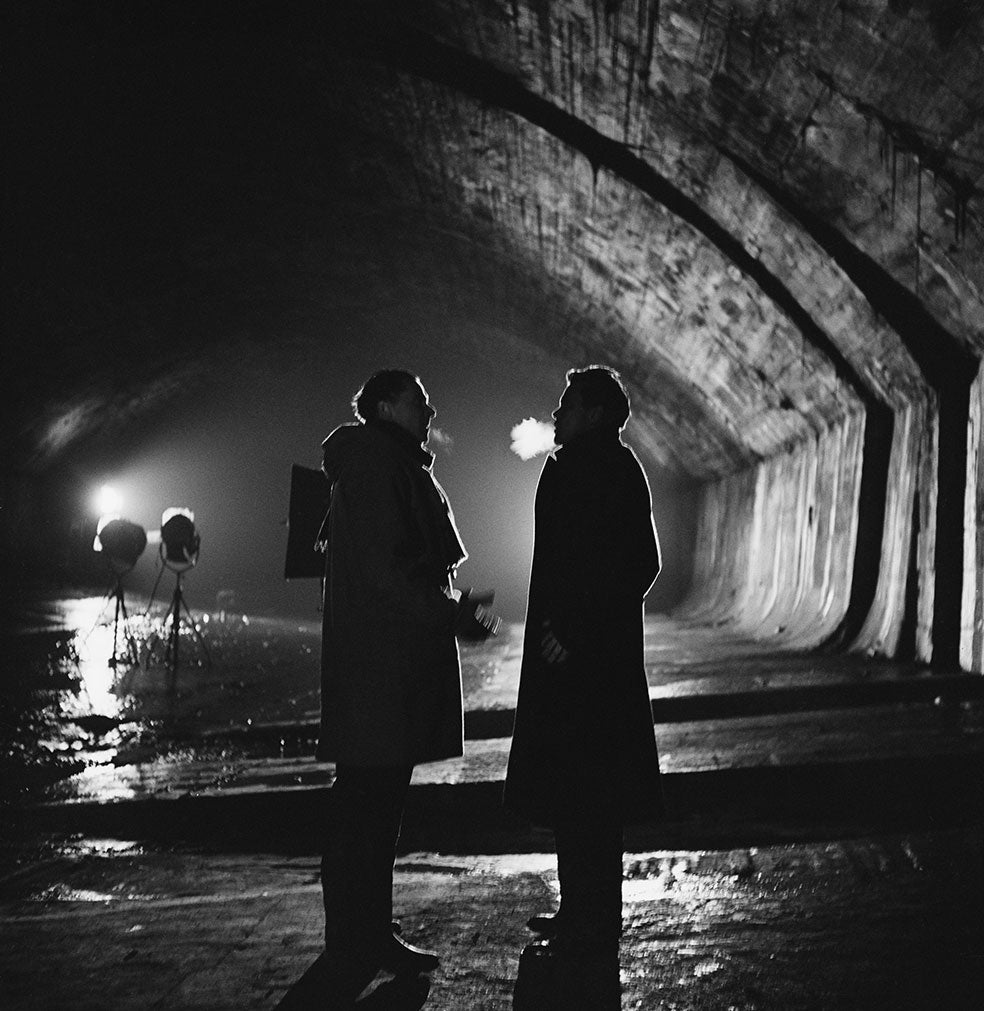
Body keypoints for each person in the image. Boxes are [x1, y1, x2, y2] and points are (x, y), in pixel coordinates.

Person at [317, 369, 498, 992]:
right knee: (365, 809)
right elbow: (387, 576)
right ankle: (354, 942)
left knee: (372, 810)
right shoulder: (376, 468)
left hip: (384, 667)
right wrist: (450, 615)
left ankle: (366, 935)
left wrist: (451, 608)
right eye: (419, 400)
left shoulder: (386, 463)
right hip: (378, 671)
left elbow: (400, 567)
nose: (430, 408)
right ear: (388, 406)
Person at [505, 365, 663, 1009]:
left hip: (586, 663)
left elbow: (629, 564)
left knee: (590, 792)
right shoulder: (584, 466)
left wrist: (573, 631)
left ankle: (594, 921)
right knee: (582, 793)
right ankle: (580, 912)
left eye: (568, 403)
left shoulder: (604, 470)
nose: (558, 412)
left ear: (596, 411)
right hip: (579, 655)